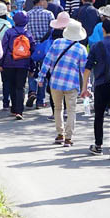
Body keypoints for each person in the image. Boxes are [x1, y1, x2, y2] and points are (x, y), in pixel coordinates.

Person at [81, 16, 110, 156]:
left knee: (99, 116)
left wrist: (85, 87)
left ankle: (98, 145)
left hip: (100, 84)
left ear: (103, 29)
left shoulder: (96, 46)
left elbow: (88, 68)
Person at [39, 18, 88, 147]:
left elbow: (47, 61)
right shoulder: (81, 49)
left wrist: (41, 77)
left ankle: (60, 134)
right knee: (71, 110)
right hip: (72, 83)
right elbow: (84, 71)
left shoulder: (56, 43)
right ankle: (69, 137)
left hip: (55, 82)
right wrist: (86, 87)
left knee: (57, 108)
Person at [0, 11, 33, 119]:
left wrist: (0, 63)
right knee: (20, 87)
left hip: (9, 62)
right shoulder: (28, 34)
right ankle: (20, 111)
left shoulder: (9, 32)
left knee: (11, 86)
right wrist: (32, 66)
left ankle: (13, 109)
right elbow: (32, 49)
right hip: (23, 63)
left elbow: (3, 48)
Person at [25, 0, 54, 108]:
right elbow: (53, 29)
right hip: (45, 48)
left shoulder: (27, 14)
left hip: (31, 47)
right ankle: (40, 100)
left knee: (31, 71)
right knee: (43, 72)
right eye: (46, 0)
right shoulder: (49, 14)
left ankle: (32, 91)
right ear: (41, 1)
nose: (47, 3)